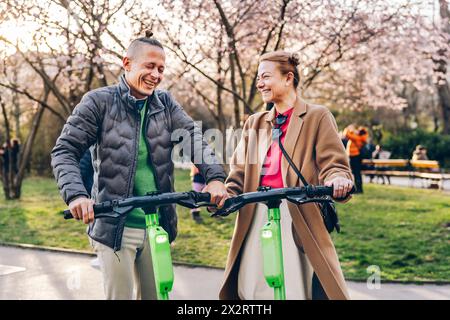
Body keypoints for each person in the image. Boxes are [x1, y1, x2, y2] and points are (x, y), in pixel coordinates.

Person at [51, 31, 228, 300]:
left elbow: (194, 139)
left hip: (158, 225)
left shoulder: (165, 104)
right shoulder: (99, 102)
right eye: (149, 66)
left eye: (161, 69)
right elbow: (65, 150)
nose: (156, 75)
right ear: (127, 63)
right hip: (114, 225)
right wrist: (76, 194)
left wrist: (214, 177)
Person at [218, 51, 354, 300]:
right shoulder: (255, 123)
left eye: (266, 77)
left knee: (293, 289)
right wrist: (225, 194)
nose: (260, 83)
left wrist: (338, 179)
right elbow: (238, 172)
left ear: (288, 78)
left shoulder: (317, 116)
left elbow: (334, 163)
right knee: (253, 289)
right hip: (256, 213)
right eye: (258, 78)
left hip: (297, 213)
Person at [343, 125, 368, 193]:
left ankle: (359, 189)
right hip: (353, 156)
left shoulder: (358, 138)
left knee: (356, 173)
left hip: (355, 157)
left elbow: (346, 134)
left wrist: (348, 129)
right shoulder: (358, 137)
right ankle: (357, 189)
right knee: (355, 173)